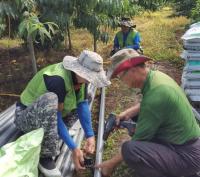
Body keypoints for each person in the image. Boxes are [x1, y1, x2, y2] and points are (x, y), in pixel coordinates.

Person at [97, 48, 200, 177]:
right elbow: (148, 104)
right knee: (136, 121)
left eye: (121, 77)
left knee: (129, 150)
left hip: (187, 156)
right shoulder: (157, 77)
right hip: (188, 144)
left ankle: (177, 172)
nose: (122, 82)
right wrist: (128, 112)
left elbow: (138, 139)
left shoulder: (156, 96)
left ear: (132, 71)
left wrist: (110, 164)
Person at [14, 50, 110, 177]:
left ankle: (57, 133)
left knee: (88, 96)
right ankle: (45, 157)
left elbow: (82, 104)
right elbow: (55, 115)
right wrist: (74, 148)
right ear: (79, 70)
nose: (90, 80)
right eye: (89, 76)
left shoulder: (80, 79)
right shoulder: (57, 80)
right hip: (26, 116)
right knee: (50, 100)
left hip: (48, 115)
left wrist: (90, 135)